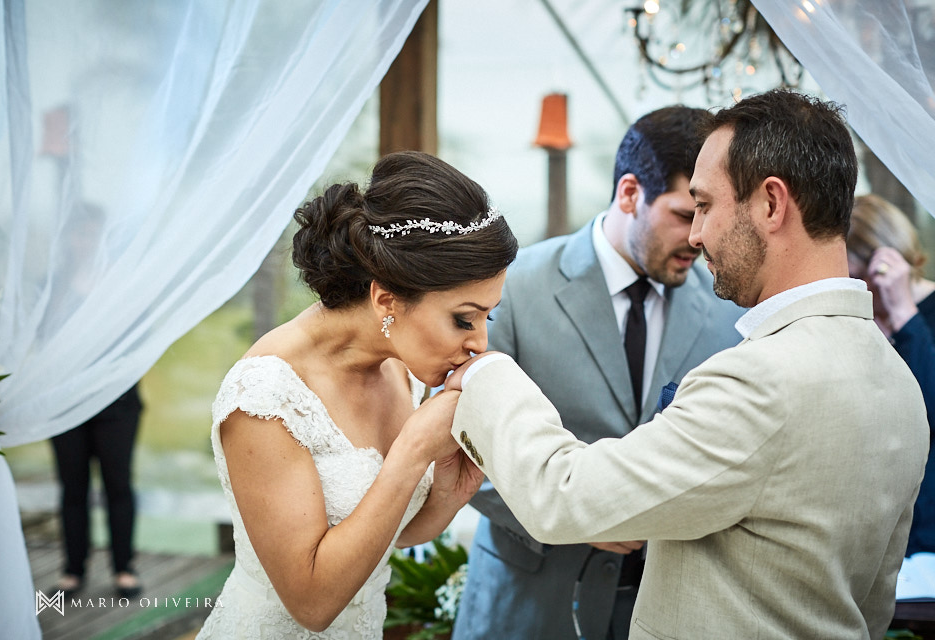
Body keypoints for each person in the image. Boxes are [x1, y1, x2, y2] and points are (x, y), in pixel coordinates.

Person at [421, 89, 929, 639]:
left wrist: (486, 371)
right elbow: (870, 604)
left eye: (705, 205)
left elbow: (564, 494)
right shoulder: (900, 381)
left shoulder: (760, 379)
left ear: (771, 204)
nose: (696, 234)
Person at [195, 150, 518, 639]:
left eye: (486, 317)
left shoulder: (400, 365)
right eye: (463, 318)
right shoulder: (265, 397)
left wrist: (451, 494)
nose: (479, 343)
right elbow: (312, 603)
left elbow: (392, 535)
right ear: (386, 299)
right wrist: (414, 450)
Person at [453, 106, 742, 640]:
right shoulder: (512, 288)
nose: (699, 236)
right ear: (630, 193)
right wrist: (575, 513)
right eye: (685, 214)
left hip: (664, 609)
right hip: (528, 605)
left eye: (708, 214)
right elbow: (461, 437)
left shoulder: (729, 311)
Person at [847, 193, 935, 556]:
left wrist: (903, 315)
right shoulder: (864, 323)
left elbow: (926, 410)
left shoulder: (916, 320)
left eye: (858, 279)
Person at [50, 385, 143, 598]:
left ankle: (124, 568)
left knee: (118, 486)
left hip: (117, 400)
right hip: (66, 404)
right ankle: (73, 570)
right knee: (72, 489)